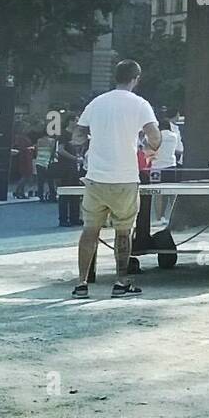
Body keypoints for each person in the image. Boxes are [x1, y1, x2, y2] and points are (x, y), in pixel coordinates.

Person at [71, 60, 160, 299]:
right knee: (123, 231)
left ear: (115, 77)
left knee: (89, 230)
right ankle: (121, 283)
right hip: (125, 177)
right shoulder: (140, 104)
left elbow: (77, 135)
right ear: (136, 78)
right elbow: (154, 135)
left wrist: (90, 143)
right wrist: (150, 150)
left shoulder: (96, 103)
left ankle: (81, 283)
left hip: (96, 176)